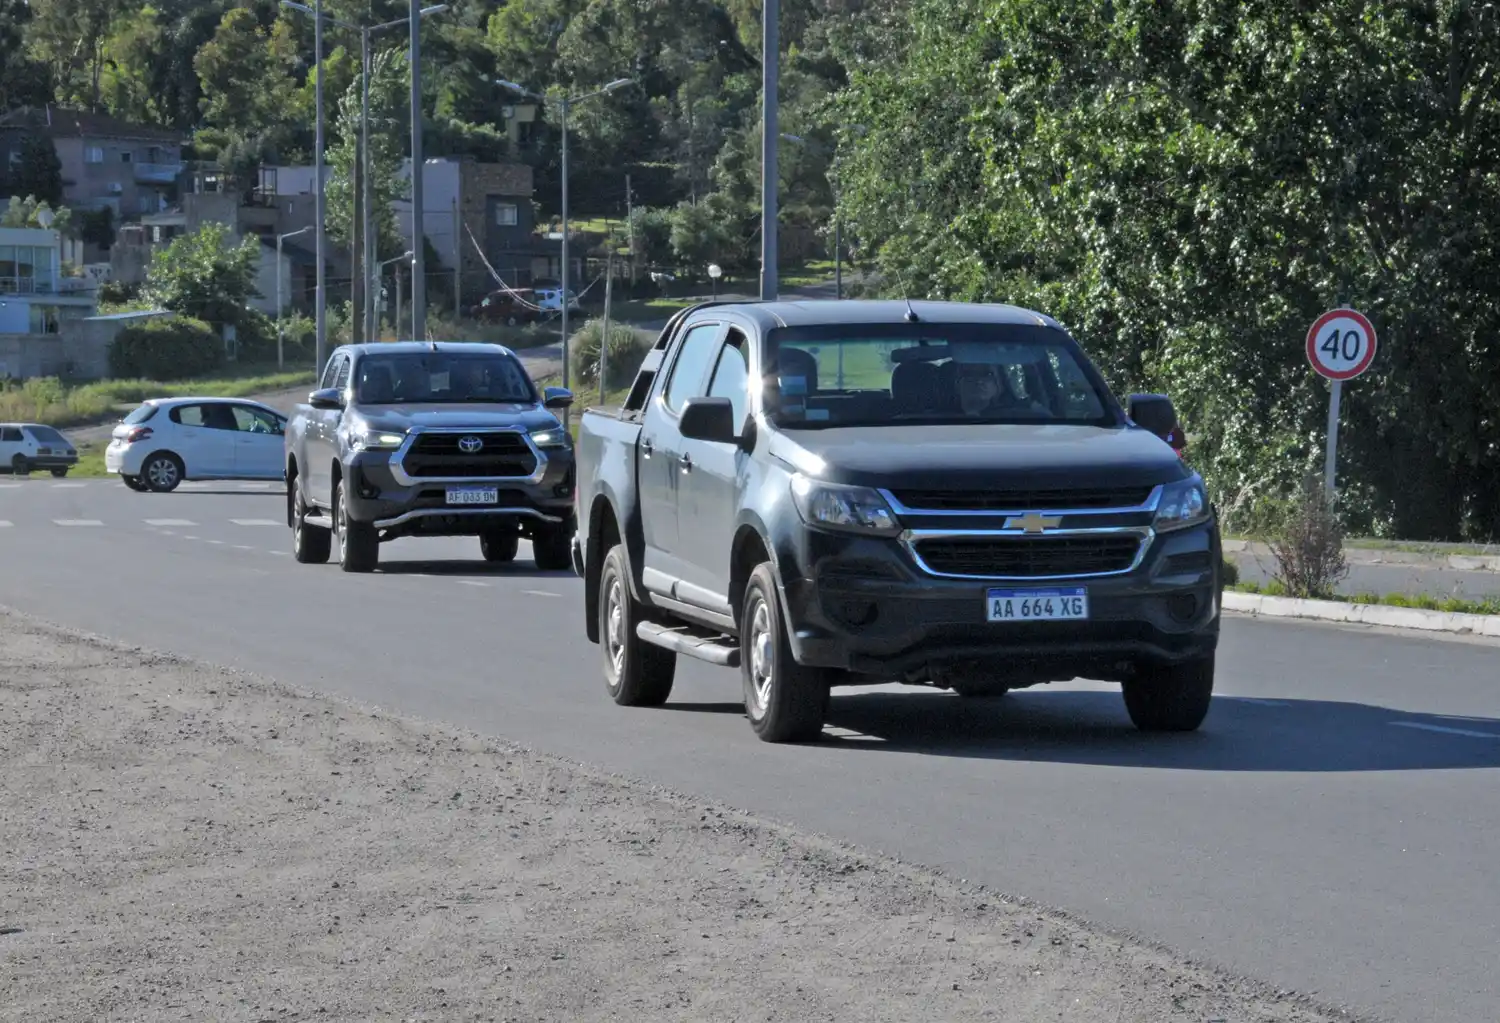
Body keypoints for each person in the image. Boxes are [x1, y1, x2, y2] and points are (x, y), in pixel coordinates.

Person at [954, 361, 1049, 418]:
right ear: (957, 384)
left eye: (987, 374)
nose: (979, 381)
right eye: (969, 374)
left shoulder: (1027, 416)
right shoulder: (945, 421)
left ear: (1000, 384)